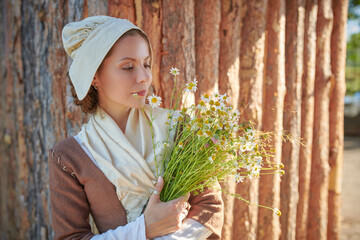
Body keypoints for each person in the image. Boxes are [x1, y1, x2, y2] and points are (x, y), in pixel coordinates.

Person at [48, 15, 224, 240]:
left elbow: (210, 206)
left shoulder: (177, 126)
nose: (143, 77)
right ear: (94, 76)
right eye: (128, 67)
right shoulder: (68, 158)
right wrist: (145, 229)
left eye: (146, 64)